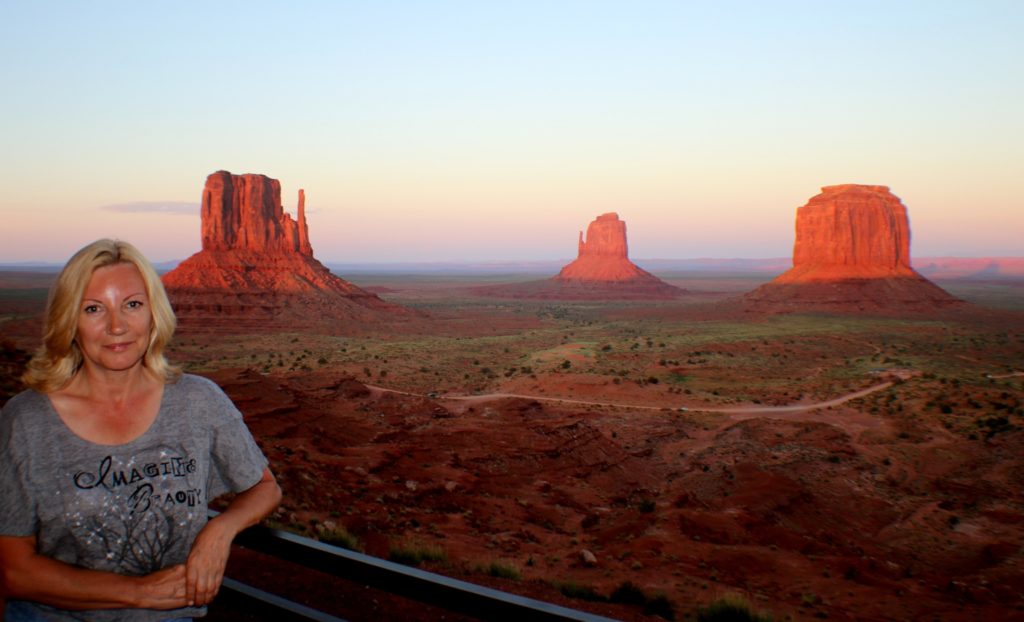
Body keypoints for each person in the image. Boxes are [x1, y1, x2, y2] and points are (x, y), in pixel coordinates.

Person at [0, 239, 282, 621]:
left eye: (132, 304)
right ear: (69, 320)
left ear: (154, 313)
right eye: (94, 309)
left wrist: (219, 532)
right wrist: (138, 593)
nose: (117, 326)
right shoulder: (26, 422)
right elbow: (14, 572)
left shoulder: (198, 402)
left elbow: (264, 487)